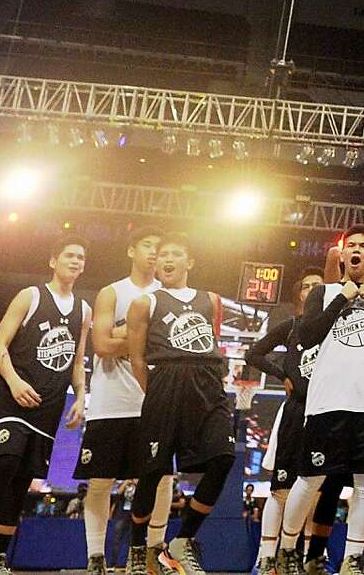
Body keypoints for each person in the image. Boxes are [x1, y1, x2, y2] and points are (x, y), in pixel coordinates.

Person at [0, 238, 92, 575]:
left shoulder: (83, 309)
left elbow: (77, 361)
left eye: (81, 257)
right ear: (53, 261)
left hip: (48, 405)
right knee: (6, 463)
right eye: (69, 255)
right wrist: (15, 381)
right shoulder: (31, 296)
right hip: (15, 395)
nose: (76, 261)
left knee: (23, 478)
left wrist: (80, 397)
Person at [278, 227, 364, 575]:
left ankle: (352, 559)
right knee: (311, 477)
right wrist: (343, 296)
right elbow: (308, 335)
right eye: (352, 247)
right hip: (329, 400)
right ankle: (288, 549)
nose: (358, 251)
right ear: (342, 255)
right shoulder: (323, 292)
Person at [127, 234, 237, 575]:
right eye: (162, 256)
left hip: (207, 384)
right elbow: (136, 358)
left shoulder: (212, 300)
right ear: (156, 264)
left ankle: (182, 540)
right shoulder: (146, 303)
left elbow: (213, 342)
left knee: (223, 458)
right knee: (153, 472)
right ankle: (136, 548)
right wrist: (156, 393)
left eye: (175, 254)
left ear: (190, 262)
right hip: (166, 384)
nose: (167, 260)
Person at [79, 228, 170, 575]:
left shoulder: (167, 296)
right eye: (148, 245)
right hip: (110, 401)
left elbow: (168, 348)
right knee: (100, 481)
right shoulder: (112, 292)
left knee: (161, 479)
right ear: (131, 249)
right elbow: (101, 345)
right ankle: (95, 557)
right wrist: (142, 339)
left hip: (153, 400)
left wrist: (125, 334)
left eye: (160, 248)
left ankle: (150, 556)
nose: (154, 253)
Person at [245, 272, 328, 575]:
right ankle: (267, 558)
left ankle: (308, 558)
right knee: (281, 488)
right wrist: (282, 375)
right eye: (306, 285)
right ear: (298, 297)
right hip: (295, 411)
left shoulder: (334, 329)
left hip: (326, 414)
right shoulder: (291, 326)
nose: (313, 289)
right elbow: (253, 354)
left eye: (318, 285)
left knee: (316, 491)